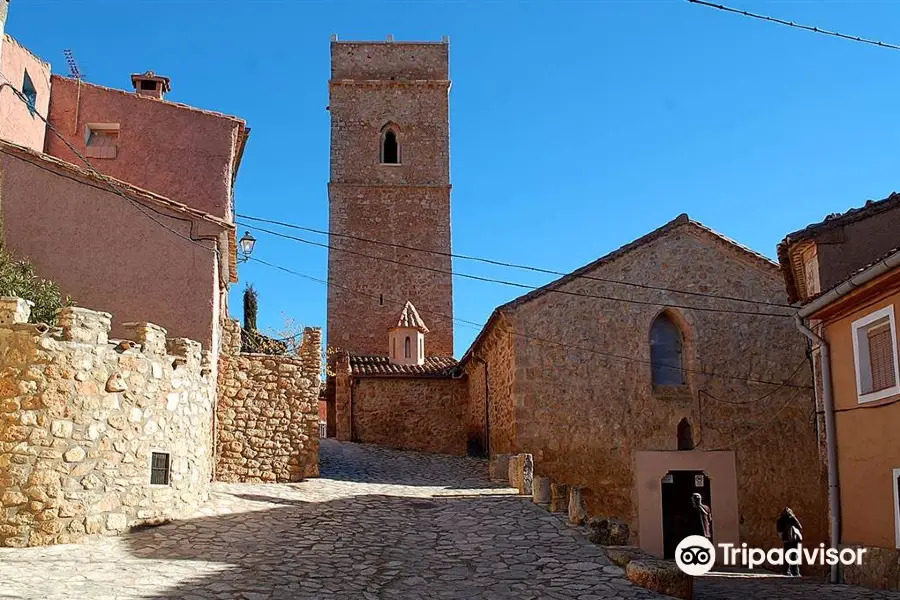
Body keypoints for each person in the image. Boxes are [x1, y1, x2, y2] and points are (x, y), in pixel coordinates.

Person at [776, 507, 803, 577]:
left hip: (786, 539)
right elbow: (799, 526)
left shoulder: (780, 520)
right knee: (794, 555)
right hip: (793, 539)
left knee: (786, 555)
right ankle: (795, 572)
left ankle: (786, 570)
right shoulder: (792, 518)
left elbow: (779, 530)